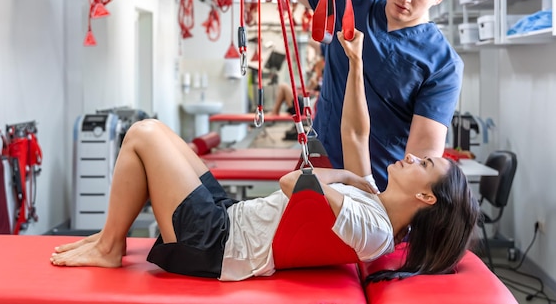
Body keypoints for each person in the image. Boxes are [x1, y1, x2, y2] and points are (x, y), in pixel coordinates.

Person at [50, 30, 479, 283]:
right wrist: (357, 65)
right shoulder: (375, 203)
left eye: (425, 165)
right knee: (162, 135)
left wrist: (349, 178)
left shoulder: (374, 228)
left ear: (426, 199)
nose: (414, 157)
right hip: (232, 220)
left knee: (142, 133)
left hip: (216, 245)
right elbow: (355, 131)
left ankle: (109, 246)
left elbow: (295, 183)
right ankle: (111, 236)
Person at [276, 0, 464, 191]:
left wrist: (390, 206)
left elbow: (422, 155)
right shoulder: (351, 2)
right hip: (321, 164)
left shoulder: (443, 63)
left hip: (380, 186)